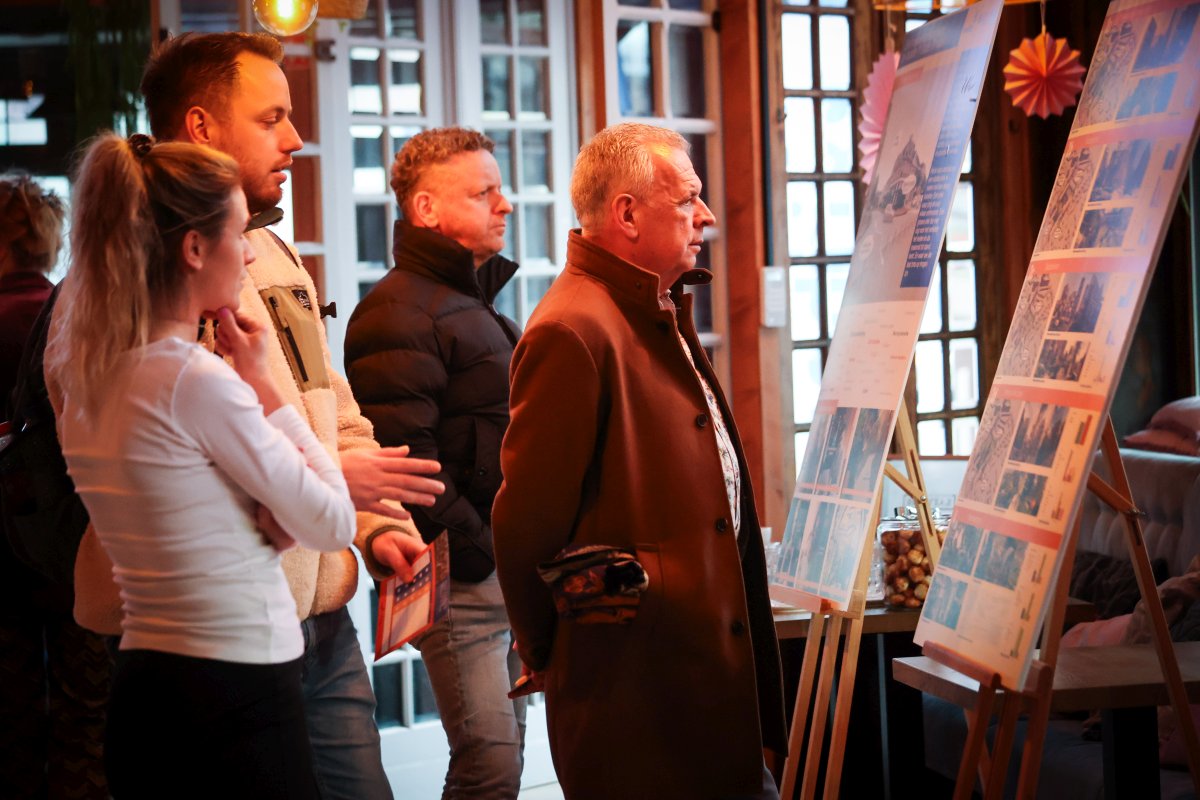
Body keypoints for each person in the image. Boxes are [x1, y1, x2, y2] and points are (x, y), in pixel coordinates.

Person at [67, 32, 445, 799]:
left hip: (318, 619)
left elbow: (330, 404)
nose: (295, 139)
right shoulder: (112, 301)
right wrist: (327, 492)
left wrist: (378, 522)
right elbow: (161, 472)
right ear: (201, 127)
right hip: (206, 639)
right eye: (272, 117)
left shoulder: (272, 255)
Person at [46, 133, 355, 797]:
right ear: (193, 248)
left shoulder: (86, 377)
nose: (250, 252)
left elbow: (186, 514)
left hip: (144, 692)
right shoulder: (193, 380)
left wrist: (263, 514)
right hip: (235, 692)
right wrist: (265, 386)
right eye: (239, 233)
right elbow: (331, 521)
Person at [491, 122, 787, 800]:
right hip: (638, 694)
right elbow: (526, 525)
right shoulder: (573, 328)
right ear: (626, 214)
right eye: (686, 199)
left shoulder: (647, 306)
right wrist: (548, 652)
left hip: (693, 677)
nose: (705, 216)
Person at [345, 127, 525, 799]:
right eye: (483, 193)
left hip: (497, 571)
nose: (504, 204)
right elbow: (407, 470)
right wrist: (484, 551)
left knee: (506, 762)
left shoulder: (469, 301)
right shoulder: (395, 314)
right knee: (490, 767)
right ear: (426, 208)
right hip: (459, 578)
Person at [0, 174, 112, 798]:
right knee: (84, 721)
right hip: (77, 541)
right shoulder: (66, 312)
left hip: (6, 555)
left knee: (13, 722)